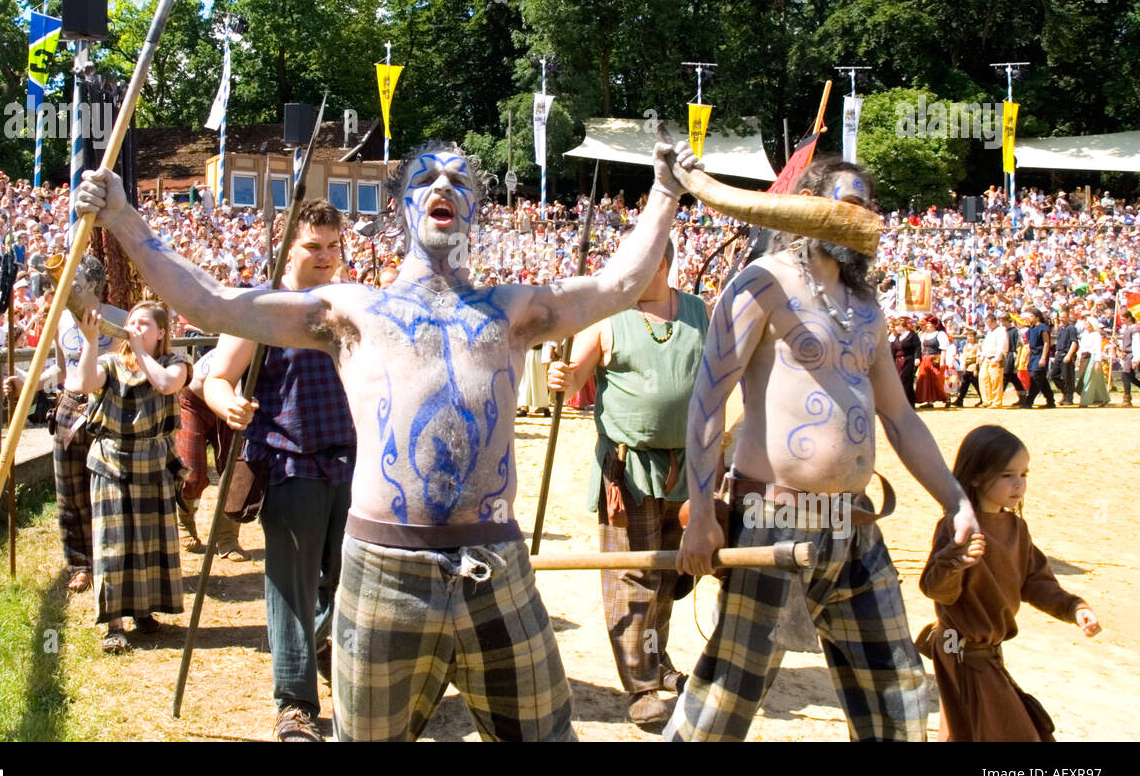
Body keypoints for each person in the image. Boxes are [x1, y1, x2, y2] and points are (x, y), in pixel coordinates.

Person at [74, 138, 698, 740]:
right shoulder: (352, 312)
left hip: (496, 566)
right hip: (384, 571)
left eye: (460, 181)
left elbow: (618, 283)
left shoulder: (516, 311)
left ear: (476, 210)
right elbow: (213, 304)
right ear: (402, 206)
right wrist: (125, 218)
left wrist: (665, 192)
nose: (444, 187)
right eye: (428, 178)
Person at [669, 156, 982, 742]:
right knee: (725, 699)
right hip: (772, 524)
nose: (864, 217)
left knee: (899, 697)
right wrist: (702, 513)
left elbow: (900, 415)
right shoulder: (762, 282)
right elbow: (708, 403)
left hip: (856, 528)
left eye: (869, 206)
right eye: (848, 203)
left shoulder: (867, 306)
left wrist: (955, 500)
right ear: (809, 207)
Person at [202, 200, 355, 743]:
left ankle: (321, 647)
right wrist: (228, 405)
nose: (325, 257)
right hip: (291, 461)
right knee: (290, 585)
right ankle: (295, 705)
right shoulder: (262, 305)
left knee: (348, 581)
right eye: (314, 247)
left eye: (333, 246)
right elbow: (216, 378)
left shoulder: (348, 305)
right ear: (289, 246)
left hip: (354, 464)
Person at [545, 235, 703, 729]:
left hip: (688, 469)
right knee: (631, 577)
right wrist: (561, 375)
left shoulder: (700, 312)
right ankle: (642, 685)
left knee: (669, 575)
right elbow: (574, 381)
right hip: (629, 470)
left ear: (662, 264)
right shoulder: (607, 317)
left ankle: (658, 662)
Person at [918, 425, 1100, 741]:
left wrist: (1074, 608)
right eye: (1006, 475)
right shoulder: (956, 527)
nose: (1018, 485)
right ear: (975, 476)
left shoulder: (1016, 529)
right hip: (961, 652)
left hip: (989, 653)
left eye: (1024, 474)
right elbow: (936, 589)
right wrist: (957, 561)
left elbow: (1036, 581)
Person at [74, 301, 189, 652]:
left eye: (143, 324)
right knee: (114, 543)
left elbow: (166, 385)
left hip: (153, 460)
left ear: (161, 333)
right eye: (131, 323)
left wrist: (141, 352)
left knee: (150, 541)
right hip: (111, 460)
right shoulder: (110, 362)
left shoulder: (175, 362)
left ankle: (144, 611)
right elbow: (83, 383)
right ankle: (113, 625)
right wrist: (91, 341)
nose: (135, 328)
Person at [51, 255, 127, 593]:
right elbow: (59, 370)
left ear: (92, 285)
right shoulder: (59, 320)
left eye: (74, 277)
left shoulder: (121, 321)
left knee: (109, 492)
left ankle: (112, 561)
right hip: (69, 408)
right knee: (71, 493)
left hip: (108, 410)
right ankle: (80, 565)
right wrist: (25, 382)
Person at [174, 350, 244, 557]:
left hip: (235, 406)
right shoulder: (239, 347)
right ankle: (185, 524)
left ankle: (228, 539)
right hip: (195, 400)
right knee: (191, 471)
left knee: (236, 472)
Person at [1017, 308, 1055, 409]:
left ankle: (1029, 401)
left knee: (1035, 378)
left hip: (1040, 354)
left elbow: (1046, 343)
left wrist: (1043, 358)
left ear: (1037, 317)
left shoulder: (1042, 328)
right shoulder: (1031, 329)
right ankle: (1051, 401)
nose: (1029, 318)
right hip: (1033, 355)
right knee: (1041, 380)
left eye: (1031, 316)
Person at [1116, 308, 1140, 407]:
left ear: (1129, 318)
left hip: (1131, 355)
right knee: (1130, 377)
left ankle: (1127, 398)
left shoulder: (1135, 329)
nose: (1121, 321)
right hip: (1126, 355)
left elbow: (1136, 344)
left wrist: (1136, 358)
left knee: (1125, 376)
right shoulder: (1126, 328)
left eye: (1123, 319)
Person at [1077, 317, 1110, 408]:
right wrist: (1079, 358)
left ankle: (1084, 400)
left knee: (1088, 379)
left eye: (1087, 324)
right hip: (1084, 357)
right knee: (1098, 381)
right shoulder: (1085, 334)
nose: (1085, 325)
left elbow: (1098, 349)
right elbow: (1082, 347)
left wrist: (1098, 362)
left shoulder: (1096, 335)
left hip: (1093, 358)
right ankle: (1103, 398)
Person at [1049, 307, 1079, 406]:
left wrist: (1069, 355)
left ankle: (1069, 397)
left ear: (1067, 317)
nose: (1061, 319)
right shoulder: (1061, 329)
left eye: (1063, 317)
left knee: (1067, 377)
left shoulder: (1071, 328)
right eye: (1060, 317)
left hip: (1066, 354)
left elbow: (1074, 342)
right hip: (1059, 354)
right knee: (1054, 375)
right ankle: (1064, 392)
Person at [981, 313, 1008, 408]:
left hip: (995, 357)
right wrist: (982, 356)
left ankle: (996, 401)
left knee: (995, 380)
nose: (988, 325)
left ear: (994, 321)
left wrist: (998, 358)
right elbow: (986, 345)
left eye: (989, 323)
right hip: (987, 357)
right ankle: (987, 400)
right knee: (984, 378)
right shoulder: (989, 332)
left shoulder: (1001, 331)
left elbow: (1002, 345)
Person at [953, 329, 982, 407]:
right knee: (964, 384)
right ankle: (960, 400)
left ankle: (983, 399)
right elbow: (964, 357)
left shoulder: (977, 346)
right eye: (968, 336)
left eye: (971, 336)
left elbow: (977, 358)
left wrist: (976, 368)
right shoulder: (966, 346)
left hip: (973, 366)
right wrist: (964, 366)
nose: (969, 338)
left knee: (976, 384)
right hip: (967, 366)